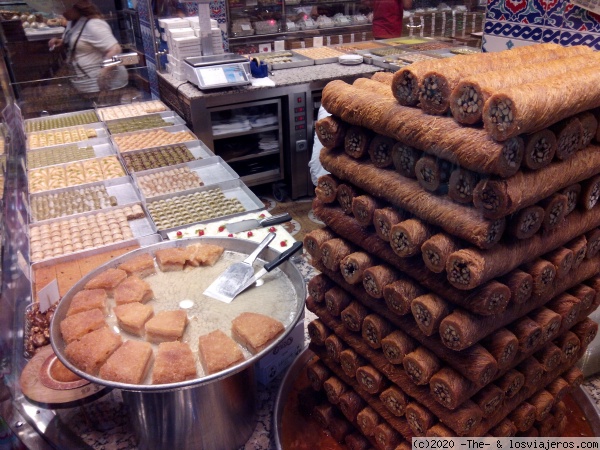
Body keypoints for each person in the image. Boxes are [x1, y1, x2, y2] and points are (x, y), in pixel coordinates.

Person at [48, 0, 128, 102]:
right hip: (86, 85)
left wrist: (105, 72)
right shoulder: (72, 23)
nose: (62, 13)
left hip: (104, 86)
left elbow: (115, 49)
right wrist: (61, 42)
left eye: (65, 9)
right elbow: (79, 40)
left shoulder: (93, 24)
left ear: (78, 7)